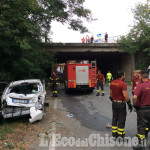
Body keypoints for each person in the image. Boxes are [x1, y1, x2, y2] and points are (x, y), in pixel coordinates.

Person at [110, 71, 132, 138]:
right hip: (121, 103)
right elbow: (125, 96)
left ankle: (114, 133)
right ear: (122, 76)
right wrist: (129, 104)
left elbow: (111, 94)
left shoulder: (112, 83)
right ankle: (120, 134)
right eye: (124, 75)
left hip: (114, 103)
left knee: (115, 118)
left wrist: (114, 101)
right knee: (121, 119)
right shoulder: (123, 84)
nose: (124, 76)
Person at [133, 70, 150, 150]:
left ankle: (141, 145)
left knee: (141, 127)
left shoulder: (140, 86)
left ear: (142, 77)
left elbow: (135, 97)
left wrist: (135, 105)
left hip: (142, 110)